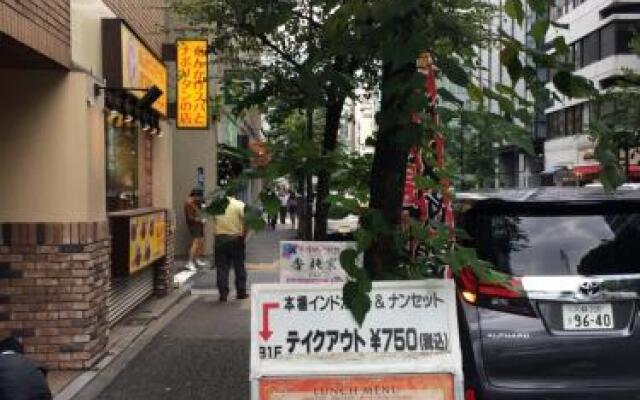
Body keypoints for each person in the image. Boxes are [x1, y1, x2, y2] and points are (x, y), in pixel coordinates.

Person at [213, 196, 248, 302]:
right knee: (239, 265)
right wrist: (243, 235)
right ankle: (241, 292)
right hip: (236, 238)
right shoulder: (239, 205)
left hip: (220, 239)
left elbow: (214, 222)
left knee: (222, 267)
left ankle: (223, 294)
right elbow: (247, 221)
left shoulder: (216, 206)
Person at [184, 189, 207, 271]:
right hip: (193, 225)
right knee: (196, 242)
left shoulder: (197, 202)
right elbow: (190, 218)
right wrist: (200, 219)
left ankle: (197, 259)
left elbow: (203, 209)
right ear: (195, 195)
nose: (200, 198)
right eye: (199, 197)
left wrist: (203, 205)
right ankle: (189, 262)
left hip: (199, 224)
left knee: (201, 241)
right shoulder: (189, 203)